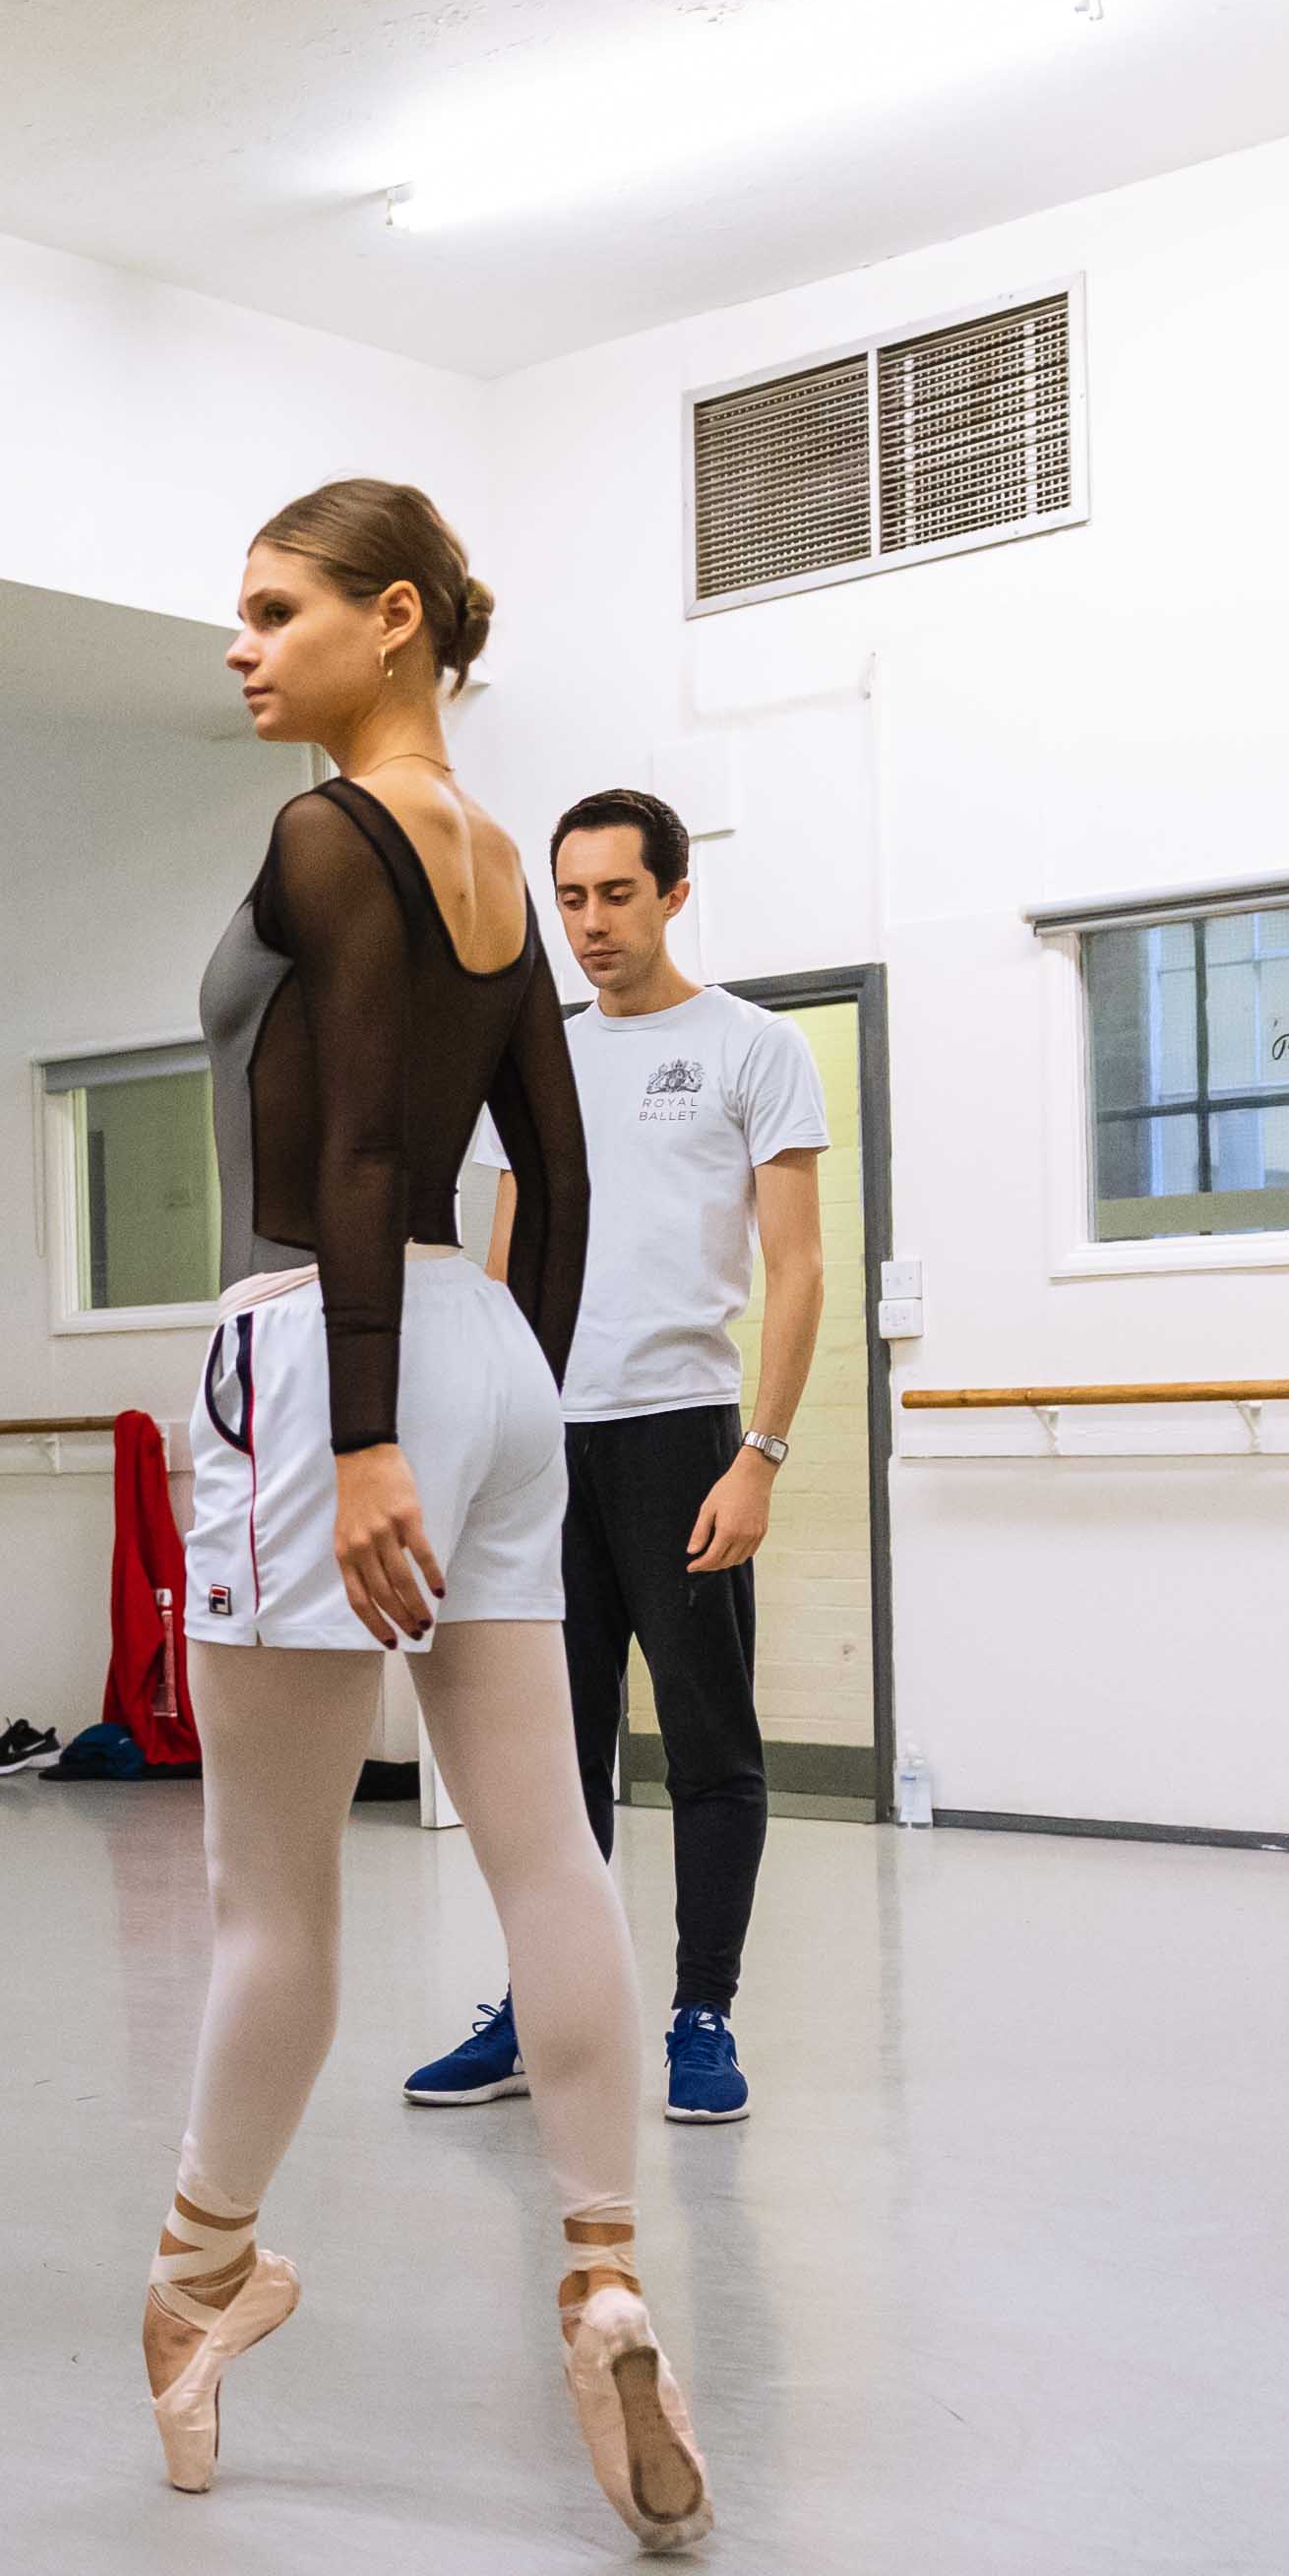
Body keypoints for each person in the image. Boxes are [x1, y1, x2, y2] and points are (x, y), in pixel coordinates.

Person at [144, 477, 709, 2554]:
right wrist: (492, 1406)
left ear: (392, 623)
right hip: (482, 1352)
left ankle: (198, 2273)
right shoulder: (495, 854)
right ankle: (598, 2262)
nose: (238, 645)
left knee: (268, 1897)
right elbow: (545, 1180)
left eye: (270, 608)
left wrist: (366, 1432)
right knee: (539, 1843)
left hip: (324, 1345)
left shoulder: (326, 835)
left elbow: (367, 1140)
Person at [410, 788, 829, 2126]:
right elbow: (504, 1255)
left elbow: (799, 1264)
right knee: (552, 1756)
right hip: (541, 1447)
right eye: (571, 897)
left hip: (685, 1437)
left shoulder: (753, 1049)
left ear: (673, 896)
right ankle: (542, 2008)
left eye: (616, 896)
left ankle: (701, 2014)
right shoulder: (537, 1055)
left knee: (709, 1744)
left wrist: (759, 1452)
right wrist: (478, 1424)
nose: (589, 924)